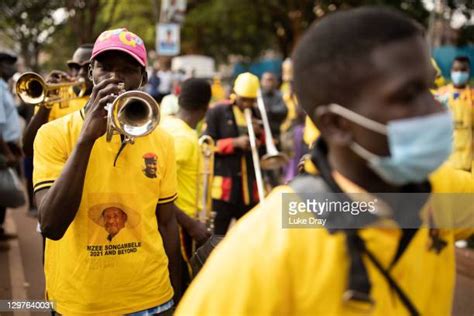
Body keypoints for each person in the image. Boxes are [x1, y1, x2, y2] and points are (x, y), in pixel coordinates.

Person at [176, 7, 473, 315]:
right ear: (336, 124)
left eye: (429, 89)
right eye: (408, 95)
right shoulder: (265, 247)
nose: (437, 112)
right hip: (227, 187)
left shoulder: (442, 187)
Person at [33, 28, 180, 315]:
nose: (115, 78)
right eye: (105, 68)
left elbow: (167, 223)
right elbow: (51, 225)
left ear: (143, 79)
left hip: (152, 299)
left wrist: (178, 293)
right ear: (91, 72)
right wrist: (86, 138)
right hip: (81, 303)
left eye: (128, 70)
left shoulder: (162, 139)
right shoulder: (52, 135)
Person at [22, 44, 93, 216]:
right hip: (55, 181)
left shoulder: (104, 98)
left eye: (87, 67)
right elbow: (28, 147)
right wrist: (46, 102)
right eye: (75, 66)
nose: (80, 72)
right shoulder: (56, 94)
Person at [161, 78, 212, 287]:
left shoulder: (167, 124)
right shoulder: (183, 138)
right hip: (181, 225)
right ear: (205, 108)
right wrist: (191, 225)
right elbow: (156, 190)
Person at [203, 72, 263, 235]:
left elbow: (264, 151)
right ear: (235, 95)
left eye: (251, 100)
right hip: (224, 188)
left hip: (248, 189)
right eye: (244, 99)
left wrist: (260, 137)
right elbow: (206, 145)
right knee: (217, 235)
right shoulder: (218, 111)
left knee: (249, 235)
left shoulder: (257, 113)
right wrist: (234, 143)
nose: (247, 104)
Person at [435, 56, 473, 173]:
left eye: (463, 70)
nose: (459, 73)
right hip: (446, 160)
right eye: (456, 70)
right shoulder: (441, 94)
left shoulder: (471, 96)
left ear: (469, 72)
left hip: (467, 159)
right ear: (451, 71)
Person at [0, 52, 22, 240]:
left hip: (9, 144)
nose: (12, 69)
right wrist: (8, 153)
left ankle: (1, 228)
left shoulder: (4, 87)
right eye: (9, 65)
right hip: (3, 146)